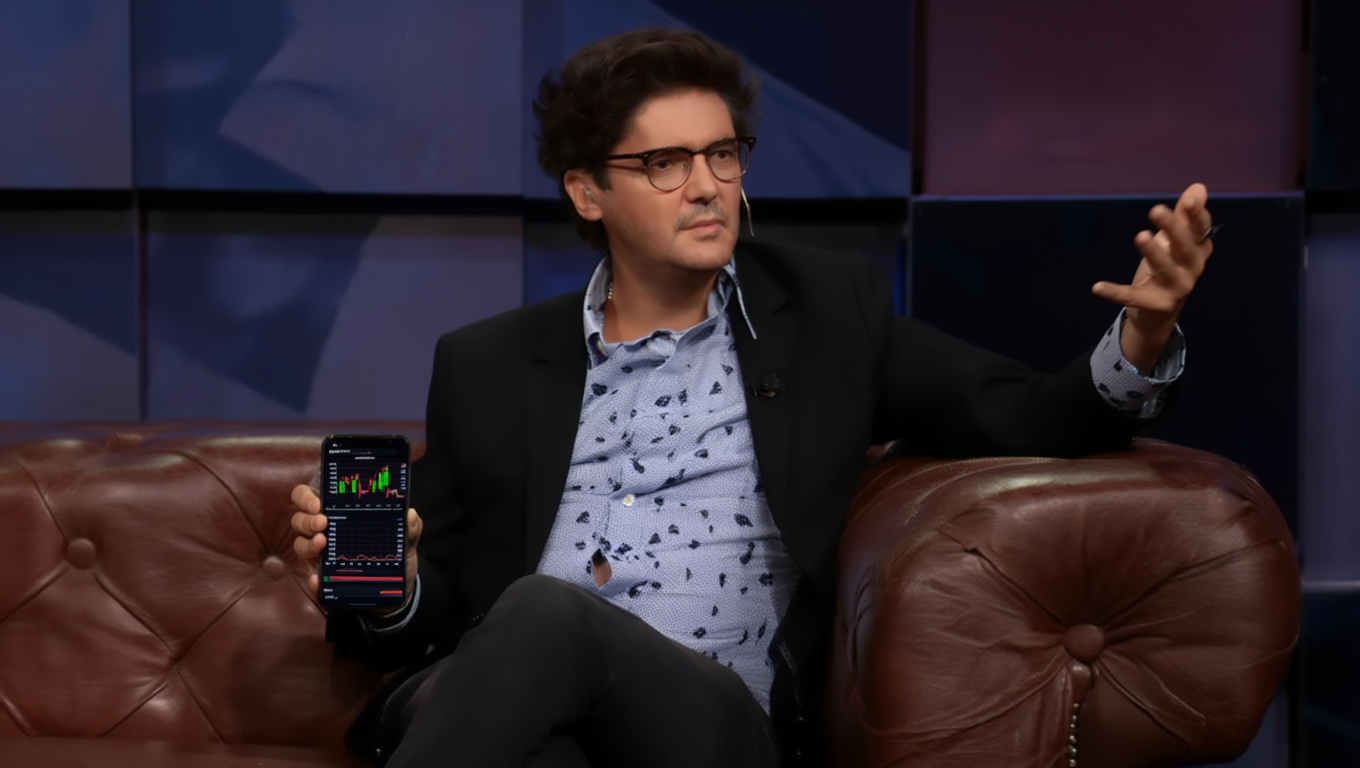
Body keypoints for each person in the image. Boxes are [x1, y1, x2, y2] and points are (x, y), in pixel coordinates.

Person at [289, 27, 1214, 768]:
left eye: (723, 155)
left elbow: (1026, 413)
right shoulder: (486, 363)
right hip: (512, 708)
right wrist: (392, 586)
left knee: (545, 610)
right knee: (543, 710)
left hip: (709, 722)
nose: (707, 187)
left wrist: (1143, 338)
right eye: (666, 163)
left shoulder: (828, 315)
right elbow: (429, 614)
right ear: (587, 191)